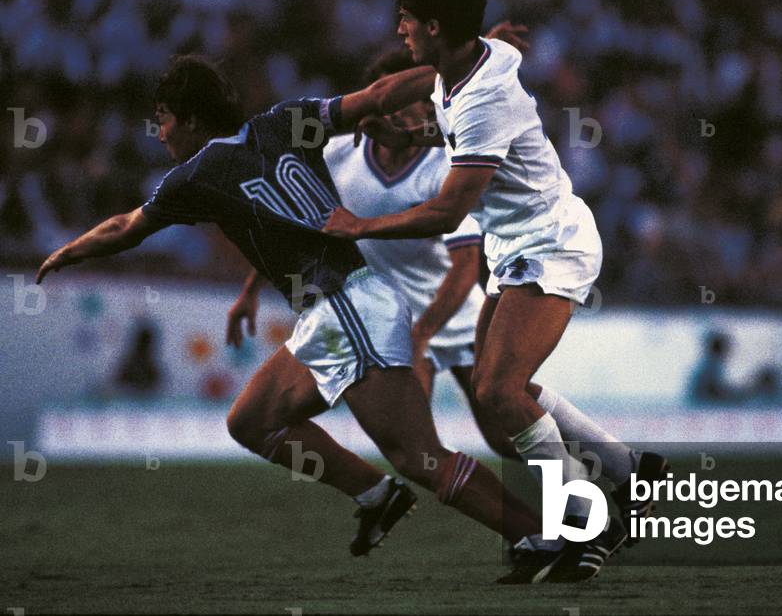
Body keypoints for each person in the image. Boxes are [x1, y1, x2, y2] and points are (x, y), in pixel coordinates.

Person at [35, 53, 551, 583]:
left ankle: (539, 536)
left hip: (347, 307)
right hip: (335, 310)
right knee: (251, 421)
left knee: (419, 456)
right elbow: (375, 98)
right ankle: (377, 495)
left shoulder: (194, 176)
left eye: (164, 117)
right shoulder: (284, 120)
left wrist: (66, 252)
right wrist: (458, 67)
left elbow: (126, 225)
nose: (160, 132)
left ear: (191, 118)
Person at [323, 0, 667, 583]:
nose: (398, 29)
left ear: (433, 27)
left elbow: (448, 209)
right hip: (518, 244)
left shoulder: (482, 94)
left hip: (552, 243)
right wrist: (411, 132)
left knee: (498, 394)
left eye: (406, 19)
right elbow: (456, 128)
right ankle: (632, 474)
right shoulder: (468, 65)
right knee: (506, 389)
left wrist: (360, 227)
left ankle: (587, 527)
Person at [226, 47, 518, 460]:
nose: (396, 113)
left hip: (451, 314)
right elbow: (300, 226)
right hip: (389, 316)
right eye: (388, 103)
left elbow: (466, 267)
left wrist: (425, 333)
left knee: (503, 438)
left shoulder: (449, 166)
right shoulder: (337, 155)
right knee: (415, 450)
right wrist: (250, 290)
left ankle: (593, 472)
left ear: (429, 107)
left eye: (407, 103)